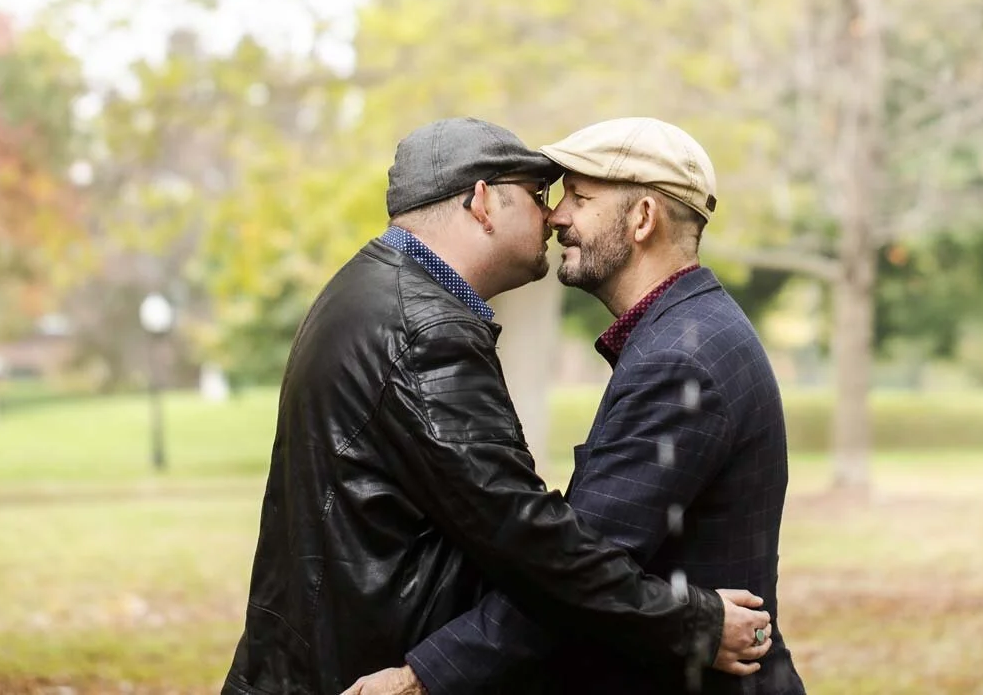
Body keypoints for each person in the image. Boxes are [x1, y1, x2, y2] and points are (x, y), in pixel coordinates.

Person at [221, 117, 773, 695]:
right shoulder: (425, 330)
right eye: (540, 196)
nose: (554, 216)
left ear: (642, 220)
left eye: (574, 198)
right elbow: (527, 537)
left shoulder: (366, 291)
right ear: (482, 203)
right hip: (348, 672)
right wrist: (694, 622)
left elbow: (518, 535)